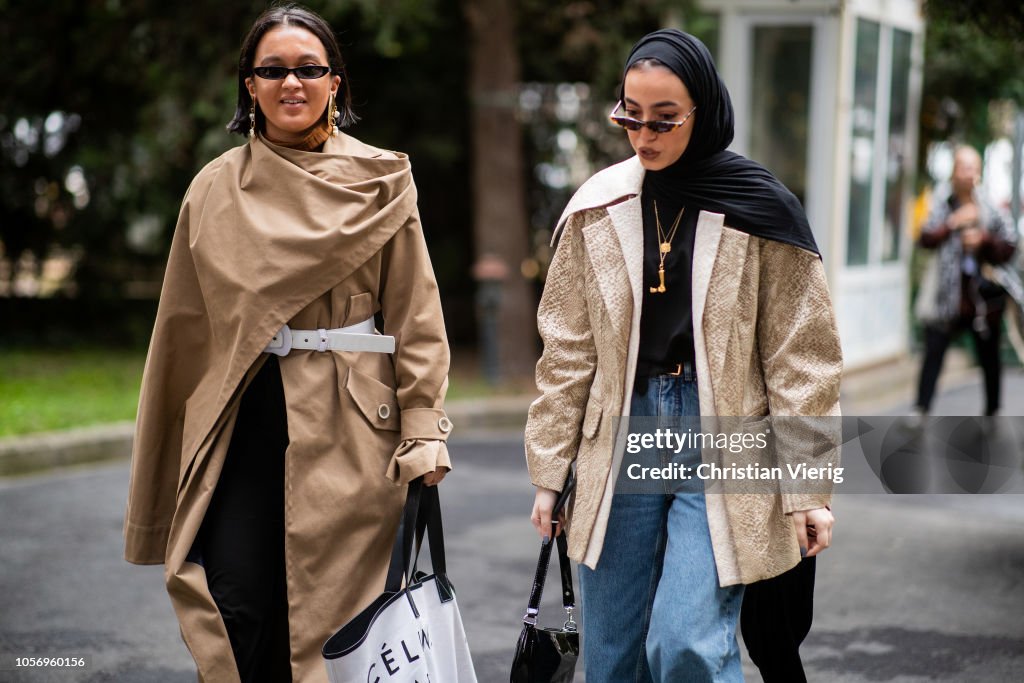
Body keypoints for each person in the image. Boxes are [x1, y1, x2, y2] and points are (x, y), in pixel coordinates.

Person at [122, 5, 453, 682]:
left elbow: (415, 315)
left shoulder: (382, 179)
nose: (291, 83)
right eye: (272, 70)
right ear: (249, 84)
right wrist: (164, 454)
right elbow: (182, 333)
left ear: (337, 81)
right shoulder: (214, 188)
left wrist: (424, 428)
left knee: (335, 622)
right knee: (237, 608)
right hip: (240, 421)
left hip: (352, 427)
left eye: (309, 69)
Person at [525, 29, 842, 682]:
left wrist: (809, 487)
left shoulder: (762, 209)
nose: (644, 135)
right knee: (612, 656)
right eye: (630, 117)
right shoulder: (597, 207)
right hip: (621, 426)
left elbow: (800, 357)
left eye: (664, 120)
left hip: (728, 428)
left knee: (687, 642)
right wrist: (549, 471)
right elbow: (568, 351)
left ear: (704, 111)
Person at [913, 145, 1020, 418]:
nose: (968, 173)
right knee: (934, 350)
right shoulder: (942, 202)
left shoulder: (990, 206)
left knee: (989, 356)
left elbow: (1009, 246)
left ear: (979, 172)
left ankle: (992, 411)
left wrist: (983, 239)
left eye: (972, 167)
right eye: (963, 167)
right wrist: (953, 223)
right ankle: (921, 408)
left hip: (983, 299)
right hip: (948, 297)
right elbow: (925, 238)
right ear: (954, 171)